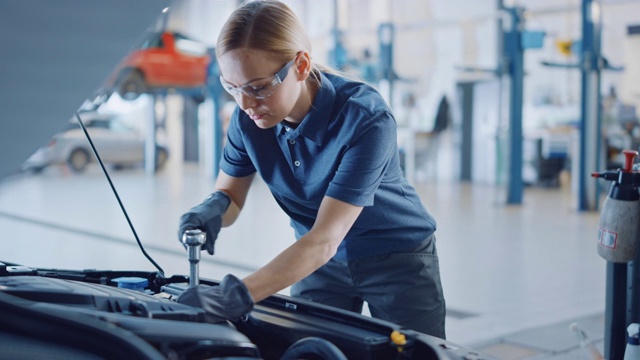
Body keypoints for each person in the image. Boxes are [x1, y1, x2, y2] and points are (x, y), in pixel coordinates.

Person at [176, 0, 446, 339]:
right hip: (317, 263)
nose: (244, 105)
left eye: (258, 87)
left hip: (395, 259)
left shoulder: (365, 118)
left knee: (415, 352)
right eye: (232, 87)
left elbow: (326, 238)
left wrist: (236, 296)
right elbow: (230, 196)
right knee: (310, 349)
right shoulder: (247, 122)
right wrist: (212, 209)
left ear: (300, 65)